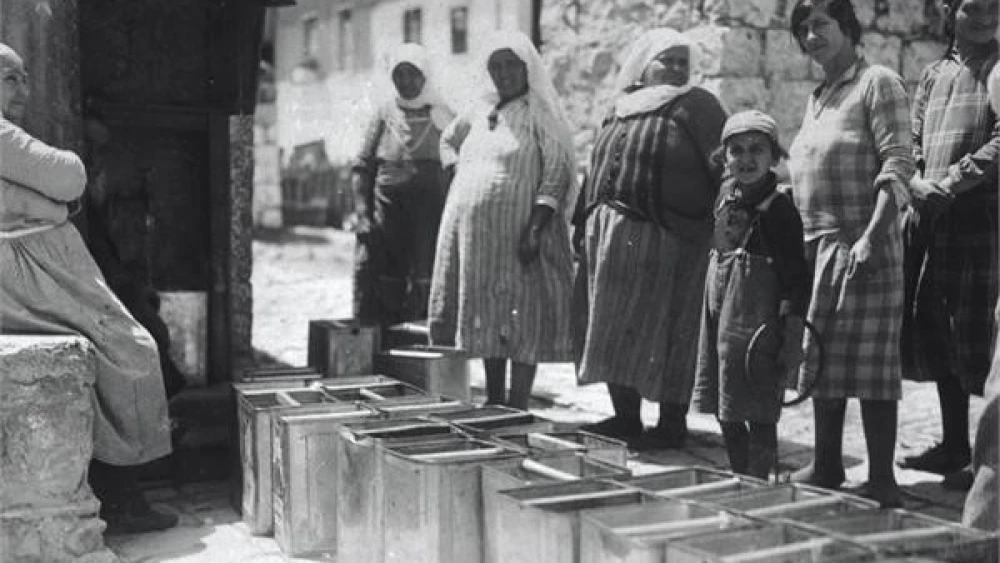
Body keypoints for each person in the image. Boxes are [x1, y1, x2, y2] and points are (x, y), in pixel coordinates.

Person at [0, 43, 176, 533]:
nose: (24, 90)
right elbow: (68, 177)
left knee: (115, 350)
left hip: (31, 276)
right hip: (28, 279)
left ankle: (116, 491)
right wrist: (54, 206)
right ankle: (124, 497)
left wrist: (48, 205)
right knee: (132, 350)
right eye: (11, 78)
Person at [785, 0, 915, 508]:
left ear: (847, 27)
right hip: (819, 245)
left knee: (872, 363)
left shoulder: (877, 82)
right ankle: (828, 464)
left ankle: (882, 478)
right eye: (803, 28)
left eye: (822, 23)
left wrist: (872, 237)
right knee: (824, 356)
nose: (812, 34)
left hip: (867, 243)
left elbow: (897, 164)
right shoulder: (817, 97)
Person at [574, 28, 727, 450]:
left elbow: (726, 163)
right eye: (668, 60)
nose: (678, 69)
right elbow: (593, 168)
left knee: (671, 330)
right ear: (644, 65)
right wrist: (578, 223)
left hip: (672, 239)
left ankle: (671, 425)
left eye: (684, 62)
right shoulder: (619, 108)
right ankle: (625, 419)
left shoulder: (698, 105)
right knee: (610, 327)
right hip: (608, 238)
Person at [428, 30, 576, 410]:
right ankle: (494, 400)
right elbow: (447, 139)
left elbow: (557, 170)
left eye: (512, 64)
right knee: (487, 314)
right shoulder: (479, 110)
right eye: (496, 65)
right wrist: (458, 171)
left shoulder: (538, 112)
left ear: (527, 68)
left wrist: (536, 227)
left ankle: (518, 402)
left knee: (522, 313)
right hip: (477, 237)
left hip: (522, 231)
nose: (504, 72)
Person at [898, 0, 999, 493]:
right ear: (948, 10)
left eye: (993, 7)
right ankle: (955, 444)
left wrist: (954, 181)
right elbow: (912, 142)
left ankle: (988, 462)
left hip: (981, 224)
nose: (984, 16)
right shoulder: (934, 74)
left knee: (980, 338)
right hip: (932, 223)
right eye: (972, 7)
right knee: (938, 330)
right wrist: (917, 182)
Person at [692, 110, 809, 480]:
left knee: (758, 408)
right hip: (720, 318)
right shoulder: (726, 196)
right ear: (723, 158)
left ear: (774, 157)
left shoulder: (780, 210)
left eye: (756, 150)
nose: (746, 159)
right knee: (722, 403)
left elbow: (795, 277)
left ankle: (758, 481)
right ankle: (740, 474)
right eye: (736, 151)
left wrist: (790, 333)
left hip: (759, 326)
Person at [352, 43, 456, 327]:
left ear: (425, 76)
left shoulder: (444, 114)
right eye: (399, 74)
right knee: (387, 283)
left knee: (427, 282)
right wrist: (362, 216)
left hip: (430, 217)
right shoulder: (384, 114)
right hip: (388, 217)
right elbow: (361, 166)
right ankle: (385, 350)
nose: (406, 82)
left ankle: (421, 353)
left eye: (413, 74)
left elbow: (461, 163)